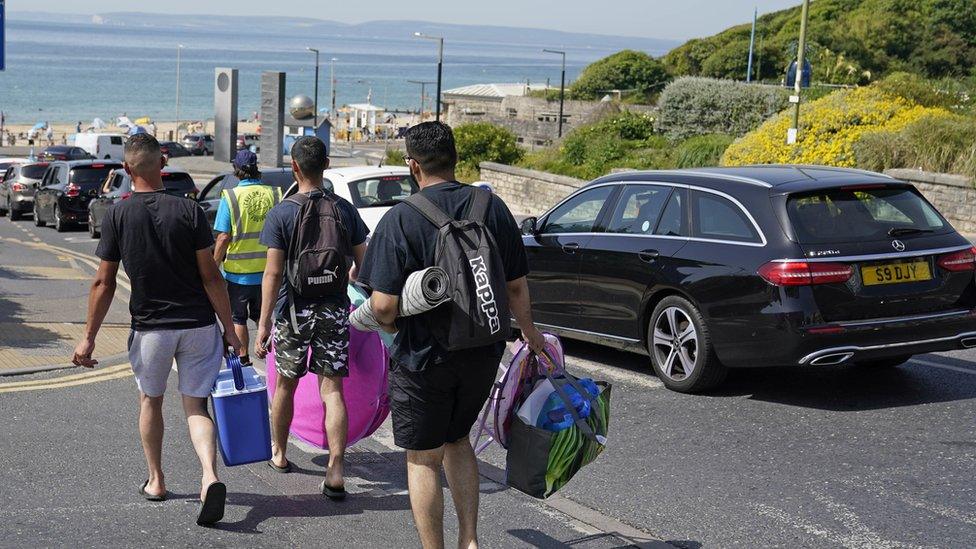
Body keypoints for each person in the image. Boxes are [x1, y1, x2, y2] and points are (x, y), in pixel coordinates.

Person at [356, 121, 546, 549]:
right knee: (459, 441)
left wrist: (386, 325)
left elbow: (384, 306)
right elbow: (516, 284)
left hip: (424, 358)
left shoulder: (401, 218)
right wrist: (529, 334)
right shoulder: (491, 207)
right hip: (481, 351)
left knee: (423, 458)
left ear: (412, 165)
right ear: (455, 158)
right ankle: (470, 541)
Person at [71, 133, 242, 527]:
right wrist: (229, 328)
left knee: (151, 400)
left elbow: (103, 282)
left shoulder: (118, 214)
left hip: (151, 329)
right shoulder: (189, 211)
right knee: (196, 406)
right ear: (162, 162)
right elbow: (211, 277)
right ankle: (209, 476)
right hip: (198, 325)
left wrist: (89, 336)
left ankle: (157, 480)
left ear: (127, 169)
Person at [254, 136, 368, 498]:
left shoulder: (283, 212)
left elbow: (272, 274)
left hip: (293, 311)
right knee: (332, 389)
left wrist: (263, 324)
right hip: (334, 308)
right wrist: (350, 278)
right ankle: (336, 469)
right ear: (327, 164)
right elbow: (364, 263)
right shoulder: (344, 209)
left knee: (285, 384)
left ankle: (280, 452)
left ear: (294, 167)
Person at [213, 150, 280, 366]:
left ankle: (243, 360)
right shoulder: (275, 194)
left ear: (236, 170)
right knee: (266, 318)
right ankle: (272, 360)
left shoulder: (231, 197)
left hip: (238, 275)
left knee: (237, 319)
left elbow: (223, 237)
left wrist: (214, 265)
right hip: (269, 272)